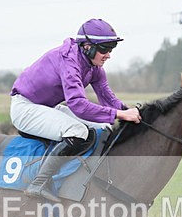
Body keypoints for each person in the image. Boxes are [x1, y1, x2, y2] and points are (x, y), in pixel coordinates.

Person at [10, 18, 141, 202]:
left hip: (47, 107)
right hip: (25, 108)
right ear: (87, 46)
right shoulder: (69, 62)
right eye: (104, 49)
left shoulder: (94, 67)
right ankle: (38, 183)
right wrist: (119, 114)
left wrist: (129, 112)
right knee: (78, 131)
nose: (108, 55)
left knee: (104, 126)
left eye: (111, 49)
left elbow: (108, 99)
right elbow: (78, 105)